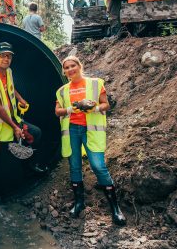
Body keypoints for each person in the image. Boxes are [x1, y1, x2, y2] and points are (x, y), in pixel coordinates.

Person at [0, 41, 46, 216]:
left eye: (9, 56)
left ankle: (29, 167)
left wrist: (20, 98)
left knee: (34, 134)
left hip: (8, 123)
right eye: (2, 55)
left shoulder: (8, 72)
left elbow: (11, 90)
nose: (6, 59)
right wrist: (15, 127)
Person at [54, 55, 126, 226]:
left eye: (73, 65)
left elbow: (106, 105)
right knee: (74, 166)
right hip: (71, 130)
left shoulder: (95, 83)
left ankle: (115, 209)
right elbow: (58, 111)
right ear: (64, 71)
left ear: (80, 66)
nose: (70, 69)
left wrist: (94, 108)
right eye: (67, 67)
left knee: (98, 166)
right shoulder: (62, 90)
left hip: (91, 130)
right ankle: (79, 203)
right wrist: (74, 107)